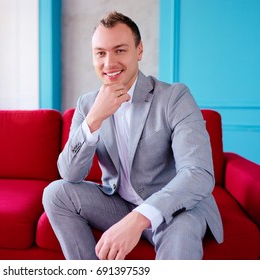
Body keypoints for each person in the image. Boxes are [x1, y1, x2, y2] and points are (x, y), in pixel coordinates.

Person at [42, 11, 223, 260]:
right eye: (101, 53)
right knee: (55, 193)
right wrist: (94, 120)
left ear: (139, 51)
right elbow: (70, 173)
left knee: (183, 229)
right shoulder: (87, 105)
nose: (109, 63)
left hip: (175, 208)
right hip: (118, 203)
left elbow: (198, 173)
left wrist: (139, 218)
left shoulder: (174, 97)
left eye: (119, 50)